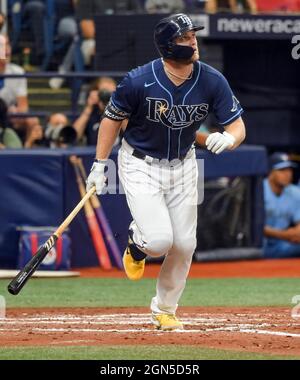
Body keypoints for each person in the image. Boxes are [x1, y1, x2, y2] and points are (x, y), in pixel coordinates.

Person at [86, 13, 245, 330]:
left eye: (193, 35)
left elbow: (238, 126)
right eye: (186, 37)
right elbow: (111, 120)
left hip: (184, 164)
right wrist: (100, 164)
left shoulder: (211, 79)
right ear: (169, 45)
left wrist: (227, 138)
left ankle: (164, 309)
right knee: (159, 241)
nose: (193, 41)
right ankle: (137, 242)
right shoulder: (137, 80)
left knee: (185, 245)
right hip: (140, 163)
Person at [263, 152, 300, 258]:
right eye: (282, 170)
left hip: (283, 244)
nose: (288, 174)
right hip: (261, 244)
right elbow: (255, 227)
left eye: (289, 170)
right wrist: (285, 235)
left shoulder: (295, 192)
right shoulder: (259, 190)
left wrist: (297, 233)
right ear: (271, 172)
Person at [73, 77, 117, 145]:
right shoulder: (91, 113)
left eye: (112, 93)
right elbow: (73, 137)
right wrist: (89, 107)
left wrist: (118, 107)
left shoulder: (122, 112)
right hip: (94, 154)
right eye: (104, 92)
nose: (108, 97)